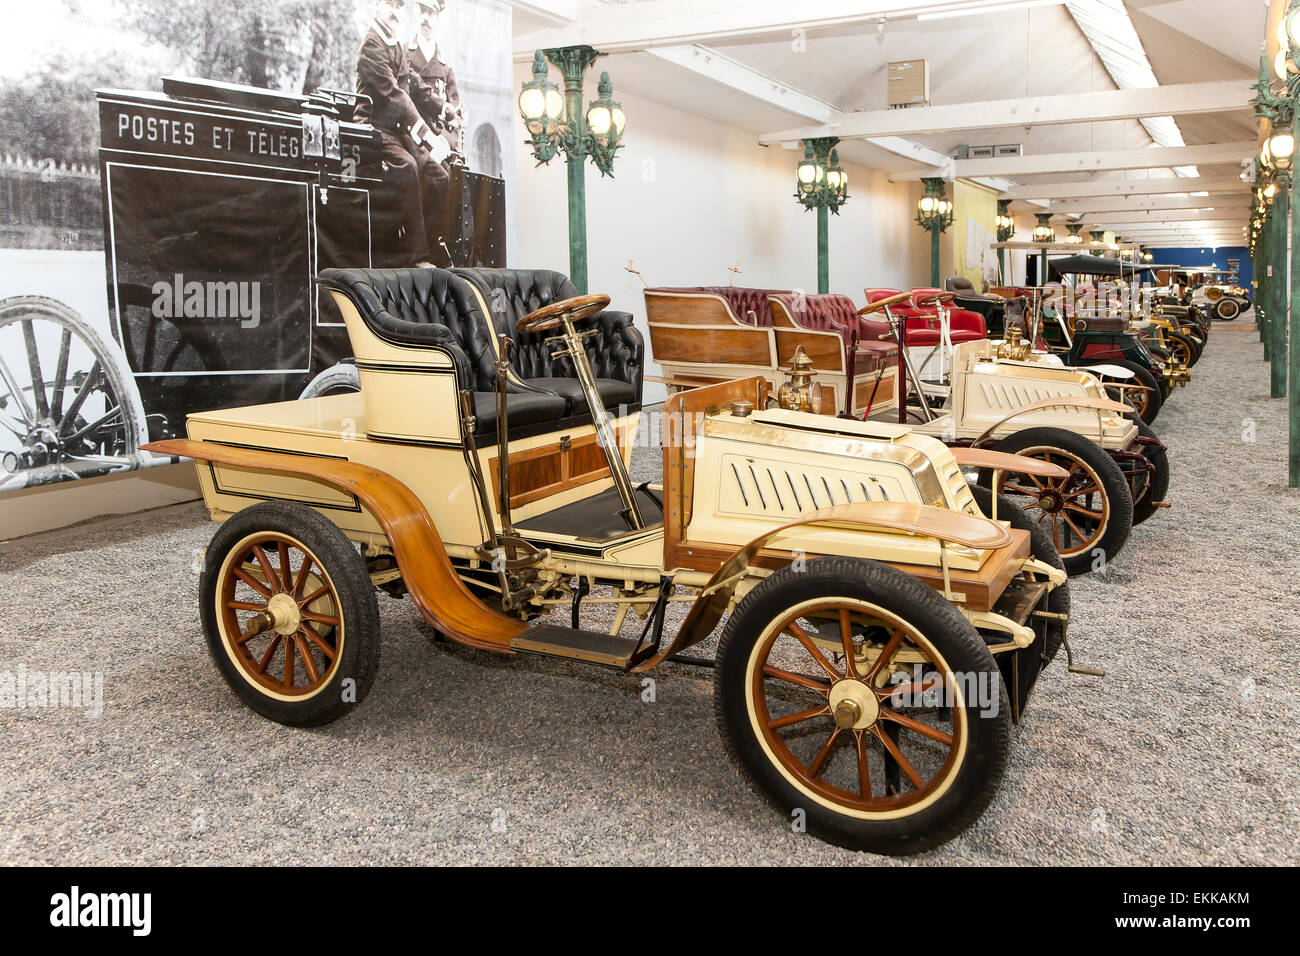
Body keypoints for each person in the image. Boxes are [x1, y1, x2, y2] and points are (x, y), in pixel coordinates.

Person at [353, 0, 445, 265]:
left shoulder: (395, 43)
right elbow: (395, 96)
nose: (395, 12)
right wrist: (426, 135)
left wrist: (438, 117)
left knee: (438, 174)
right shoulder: (372, 45)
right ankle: (416, 256)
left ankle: (431, 247)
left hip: (396, 130)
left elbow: (407, 88)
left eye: (399, 6)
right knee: (407, 167)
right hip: (373, 128)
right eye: (389, 4)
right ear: (377, 6)